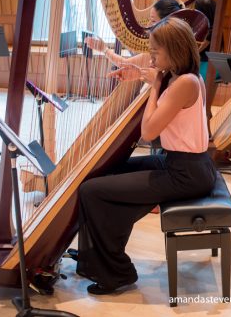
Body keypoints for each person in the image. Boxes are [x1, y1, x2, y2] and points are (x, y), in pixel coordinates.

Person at [75, 17, 216, 294]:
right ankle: (102, 253)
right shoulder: (180, 76)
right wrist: (141, 75)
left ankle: (117, 272)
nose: (151, 58)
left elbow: (149, 132)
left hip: (186, 174)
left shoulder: (185, 82)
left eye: (155, 52)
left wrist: (153, 86)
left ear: (174, 51)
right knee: (110, 170)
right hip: (181, 164)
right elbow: (157, 79)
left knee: (92, 190)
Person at [84, 0, 183, 66]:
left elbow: (124, 64)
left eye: (153, 21)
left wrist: (104, 49)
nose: (148, 25)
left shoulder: (160, 51)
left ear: (166, 23)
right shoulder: (174, 47)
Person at [193, 0, 216, 80]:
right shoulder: (202, 27)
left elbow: (197, 50)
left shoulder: (212, 31)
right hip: (201, 62)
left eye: (196, 10)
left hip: (208, 64)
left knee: (190, 78)